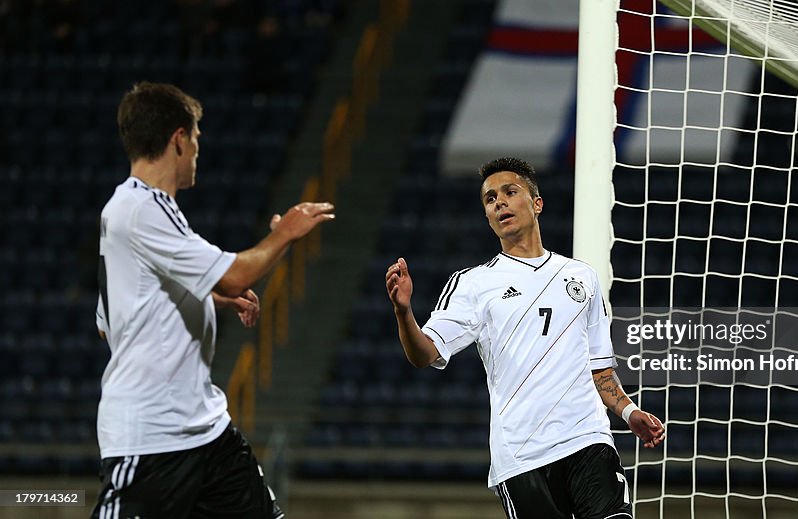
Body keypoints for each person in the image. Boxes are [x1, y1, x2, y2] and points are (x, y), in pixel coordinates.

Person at [92, 82, 334, 518]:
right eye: (197, 140)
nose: (198, 151)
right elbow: (237, 272)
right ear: (179, 140)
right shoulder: (144, 208)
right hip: (153, 437)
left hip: (204, 430)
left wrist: (209, 299)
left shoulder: (130, 210)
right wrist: (285, 232)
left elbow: (111, 319)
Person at [385, 157, 665, 519]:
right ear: (487, 217)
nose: (499, 202)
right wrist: (403, 312)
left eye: (509, 192)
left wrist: (628, 412)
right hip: (522, 457)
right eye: (489, 199)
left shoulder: (582, 276)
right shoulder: (473, 284)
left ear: (536, 204)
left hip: (588, 440)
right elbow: (424, 354)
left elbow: (600, 371)